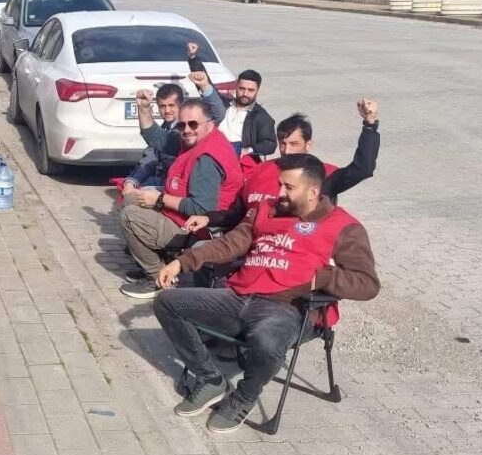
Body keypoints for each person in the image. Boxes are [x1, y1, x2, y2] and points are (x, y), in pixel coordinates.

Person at [152, 153, 379, 434]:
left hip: (288, 308)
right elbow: (231, 244)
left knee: (267, 340)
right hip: (238, 296)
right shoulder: (265, 209)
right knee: (167, 302)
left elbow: (367, 283)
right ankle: (210, 379)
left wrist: (322, 278)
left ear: (313, 192)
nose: (279, 192)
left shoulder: (343, 226)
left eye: (288, 187)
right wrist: (182, 262)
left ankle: (244, 397)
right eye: (279, 184)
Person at [188, 100, 381, 234]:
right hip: (252, 247)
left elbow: (363, 168)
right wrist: (209, 218)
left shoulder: (323, 175)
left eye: (294, 144)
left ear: (308, 144)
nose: (287, 150)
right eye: (283, 144)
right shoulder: (259, 171)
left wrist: (369, 125)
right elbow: (239, 214)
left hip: (299, 251)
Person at [119, 99, 243, 300]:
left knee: (129, 216)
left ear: (210, 124)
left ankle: (156, 276)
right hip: (181, 215)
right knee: (131, 199)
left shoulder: (207, 159)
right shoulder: (197, 140)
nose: (186, 130)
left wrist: (160, 199)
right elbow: (156, 138)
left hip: (197, 228)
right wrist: (144, 108)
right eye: (181, 125)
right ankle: (162, 260)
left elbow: (201, 208)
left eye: (193, 124)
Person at [120, 84, 185, 196]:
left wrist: (205, 86)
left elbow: (216, 112)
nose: (167, 110)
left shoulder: (186, 129)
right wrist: (131, 181)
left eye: (171, 105)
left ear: (181, 105)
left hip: (180, 184)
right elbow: (151, 156)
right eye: (162, 106)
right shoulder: (166, 126)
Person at [207, 69, 276, 164]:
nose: (245, 94)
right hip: (212, 154)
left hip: (238, 161)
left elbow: (270, 144)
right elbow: (207, 88)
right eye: (242, 89)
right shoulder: (224, 104)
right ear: (236, 86)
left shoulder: (262, 117)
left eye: (250, 90)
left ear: (257, 90)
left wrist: (248, 150)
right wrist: (194, 62)